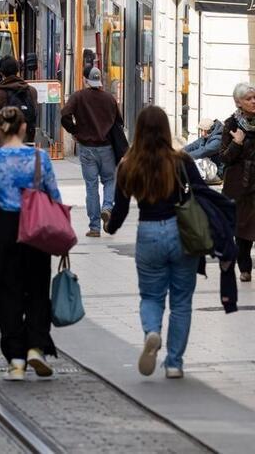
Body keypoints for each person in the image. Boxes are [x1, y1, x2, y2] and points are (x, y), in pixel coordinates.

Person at [106, 106, 206, 378]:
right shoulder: (181, 161)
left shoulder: (128, 164)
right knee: (182, 301)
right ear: (166, 129)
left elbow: (121, 209)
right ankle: (174, 363)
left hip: (148, 233)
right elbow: (203, 194)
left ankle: (152, 331)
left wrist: (110, 226)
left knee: (151, 296)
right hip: (180, 232)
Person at [0, 106, 62, 381]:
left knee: (7, 293)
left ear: (0, 129)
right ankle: (37, 347)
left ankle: (15, 359)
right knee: (37, 289)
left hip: (5, 228)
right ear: (24, 128)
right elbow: (55, 197)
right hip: (35, 227)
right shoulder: (40, 158)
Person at [60, 67, 121, 237]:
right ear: (100, 80)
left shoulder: (78, 97)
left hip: (86, 147)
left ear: (86, 80)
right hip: (106, 147)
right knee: (109, 179)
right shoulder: (109, 98)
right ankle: (107, 207)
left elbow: (64, 114)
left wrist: (74, 131)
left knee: (91, 186)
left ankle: (94, 227)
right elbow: (118, 121)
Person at [219, 82, 255, 283]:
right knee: (243, 229)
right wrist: (237, 142)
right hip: (239, 184)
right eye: (248, 99)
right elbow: (224, 157)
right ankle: (245, 267)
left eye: (254, 97)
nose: (253, 101)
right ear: (238, 103)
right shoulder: (231, 124)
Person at [0, 55, 38, 141]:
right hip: (27, 138)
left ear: (1, 73)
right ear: (17, 70)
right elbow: (35, 114)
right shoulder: (32, 91)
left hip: (6, 141)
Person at [183, 118, 224, 182]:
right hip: (209, 168)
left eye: (205, 130)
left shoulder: (218, 140)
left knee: (199, 160)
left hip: (217, 172)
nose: (202, 133)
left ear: (211, 130)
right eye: (201, 130)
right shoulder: (206, 136)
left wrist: (184, 156)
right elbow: (193, 145)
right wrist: (179, 152)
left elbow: (203, 152)